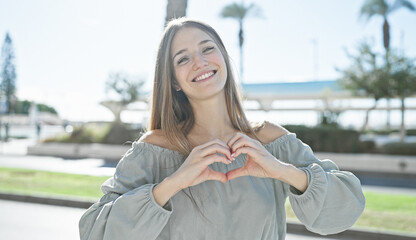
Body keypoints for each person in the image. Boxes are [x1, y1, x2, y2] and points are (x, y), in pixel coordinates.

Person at [79, 18, 365, 240]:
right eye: (183, 58)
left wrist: (280, 170)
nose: (200, 62)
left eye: (207, 49)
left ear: (224, 58)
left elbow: (343, 212)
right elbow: (96, 232)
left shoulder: (272, 141)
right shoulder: (154, 149)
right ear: (174, 81)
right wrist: (173, 183)